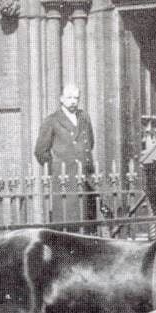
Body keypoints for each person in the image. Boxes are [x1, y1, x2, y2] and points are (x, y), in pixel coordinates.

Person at [33, 84, 97, 226]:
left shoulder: (84, 117)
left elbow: (90, 142)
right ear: (61, 99)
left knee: (86, 218)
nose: (73, 101)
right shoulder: (52, 120)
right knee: (68, 218)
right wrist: (56, 168)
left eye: (76, 98)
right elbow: (40, 151)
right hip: (65, 178)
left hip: (85, 175)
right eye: (69, 98)